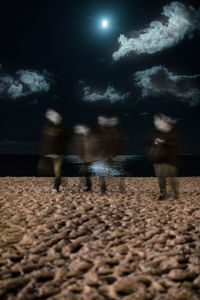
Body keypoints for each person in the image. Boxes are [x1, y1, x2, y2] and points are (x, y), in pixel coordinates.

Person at [146, 113, 180, 200]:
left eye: (156, 120)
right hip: (158, 159)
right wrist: (150, 151)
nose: (154, 122)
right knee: (161, 178)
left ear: (161, 120)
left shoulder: (172, 131)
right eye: (154, 120)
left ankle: (175, 193)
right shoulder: (154, 132)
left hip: (170, 159)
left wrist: (163, 142)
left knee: (172, 178)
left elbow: (175, 143)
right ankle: (163, 194)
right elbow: (148, 143)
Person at [38, 108, 69, 193]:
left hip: (58, 153)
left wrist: (62, 150)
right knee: (43, 169)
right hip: (48, 152)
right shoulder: (47, 127)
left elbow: (66, 139)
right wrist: (44, 151)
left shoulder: (63, 127)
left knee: (57, 172)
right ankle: (61, 182)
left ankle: (56, 187)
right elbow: (45, 139)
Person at [97, 115, 128, 194]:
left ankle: (104, 190)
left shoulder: (115, 133)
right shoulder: (118, 132)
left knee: (103, 173)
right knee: (106, 173)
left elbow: (120, 144)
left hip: (111, 155)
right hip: (112, 155)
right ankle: (119, 189)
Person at [73, 124, 101, 191]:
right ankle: (88, 186)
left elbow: (97, 147)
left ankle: (88, 186)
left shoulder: (92, 137)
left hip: (90, 158)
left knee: (85, 172)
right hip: (85, 158)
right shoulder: (82, 138)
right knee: (85, 172)